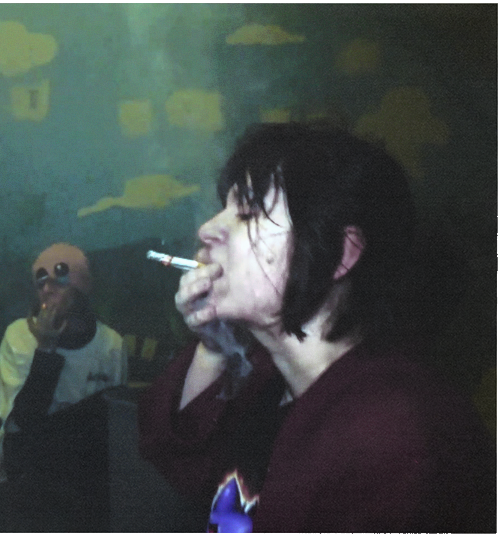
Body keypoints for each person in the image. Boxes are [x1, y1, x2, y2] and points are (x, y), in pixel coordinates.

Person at [137, 122, 495, 533]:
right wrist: (214, 347)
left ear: (339, 253)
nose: (207, 230)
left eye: (249, 212)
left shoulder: (398, 438)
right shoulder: (269, 380)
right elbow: (180, 464)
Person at [0, 243, 127, 529]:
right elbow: (23, 422)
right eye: (40, 281)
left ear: (84, 286)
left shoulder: (111, 344)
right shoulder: (18, 336)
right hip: (29, 467)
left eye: (60, 279)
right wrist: (46, 348)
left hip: (85, 473)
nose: (47, 289)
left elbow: (114, 424)